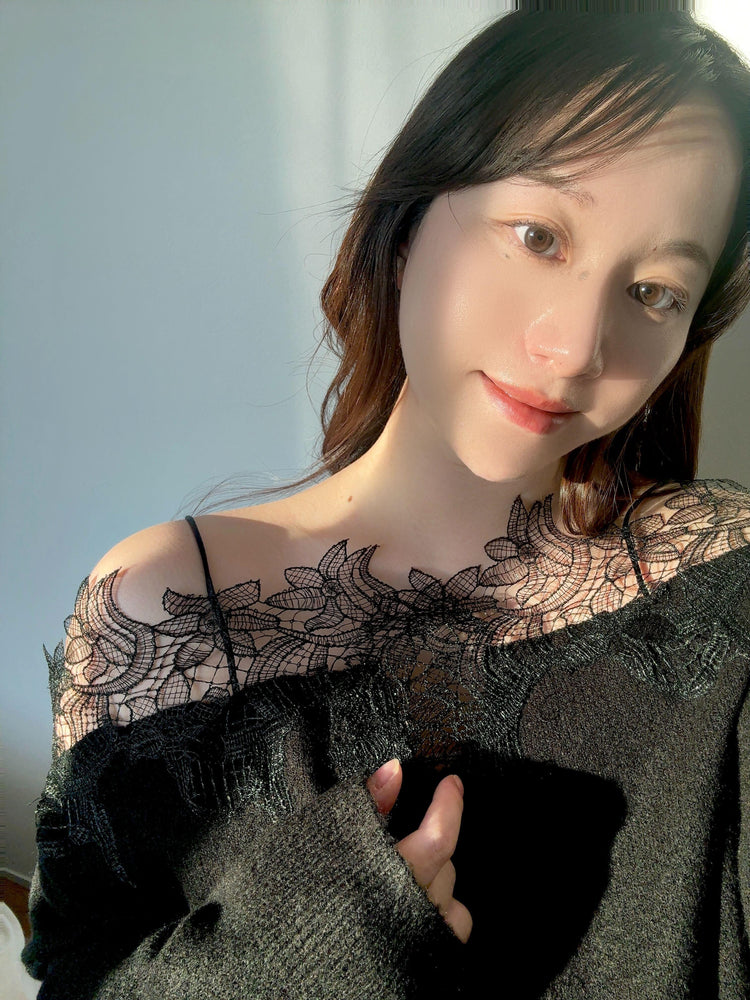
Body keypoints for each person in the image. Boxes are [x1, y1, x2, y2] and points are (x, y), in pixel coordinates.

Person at [21, 7, 750, 999]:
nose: (577, 347)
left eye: (655, 291)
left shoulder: (724, 585)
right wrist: (307, 951)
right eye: (538, 235)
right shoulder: (162, 605)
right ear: (408, 224)